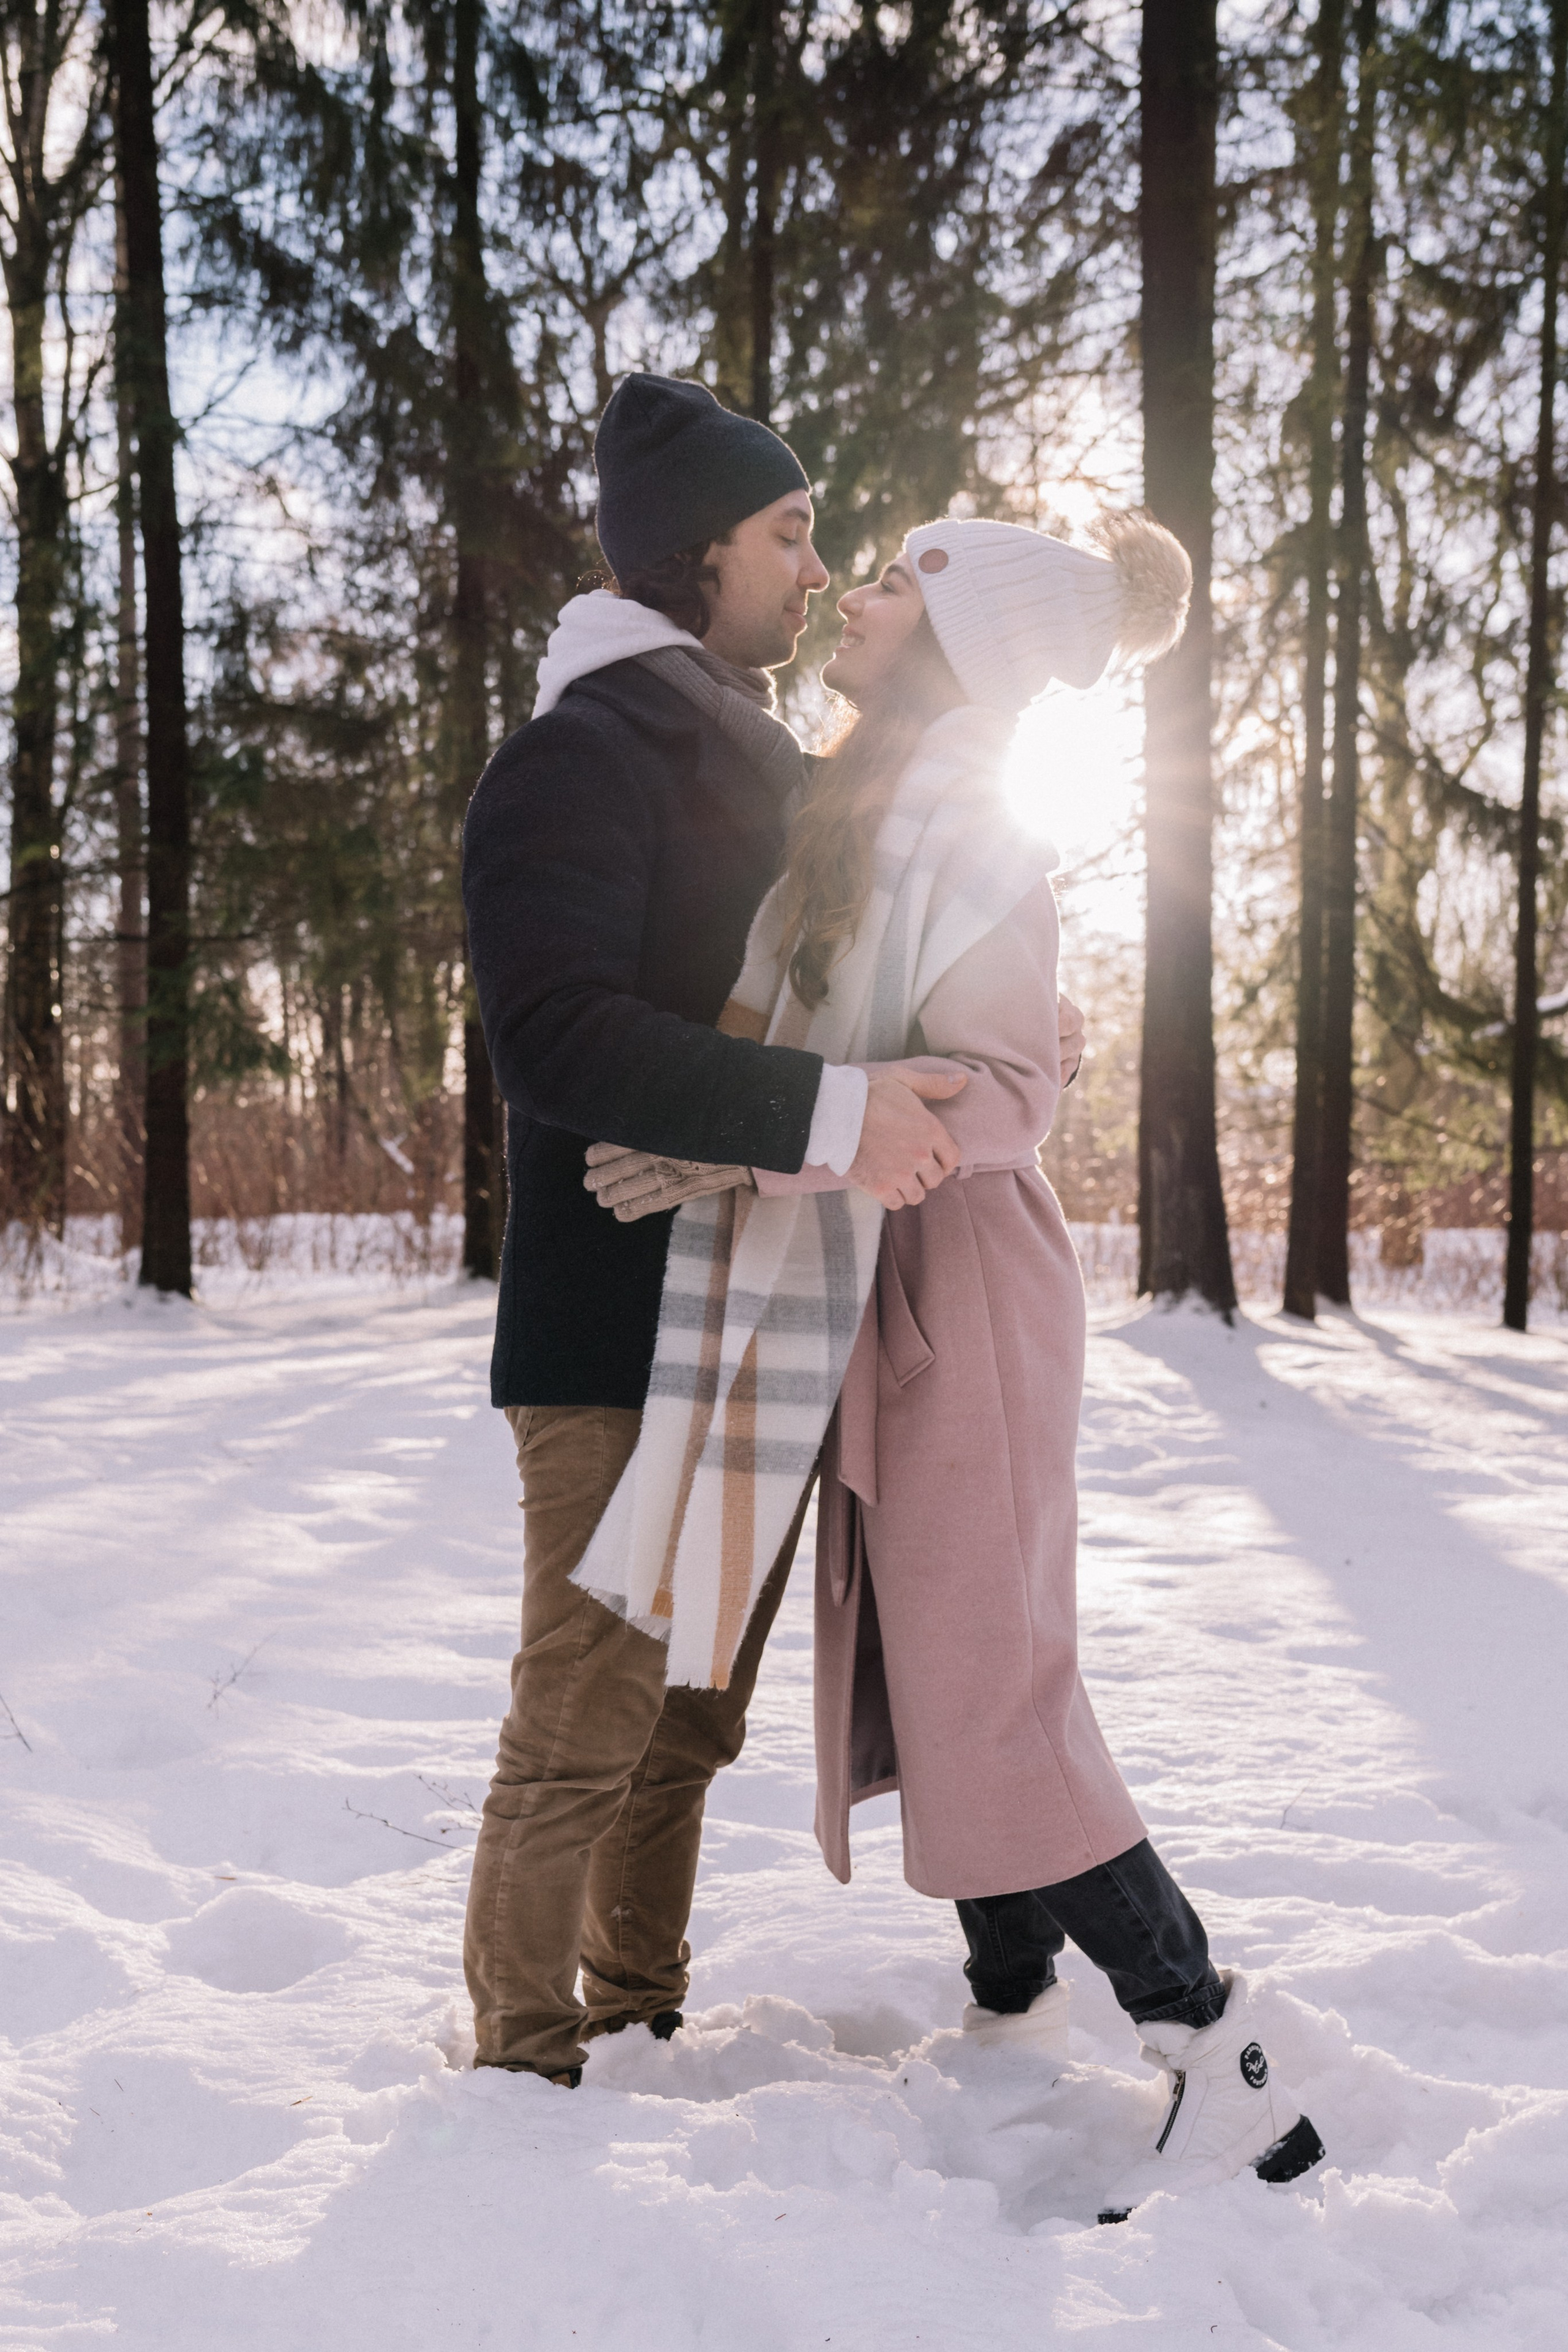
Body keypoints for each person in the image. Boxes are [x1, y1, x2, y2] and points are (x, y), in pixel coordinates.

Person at [589, 511, 1325, 2223]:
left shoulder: (977, 829)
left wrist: (762, 1148)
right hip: (881, 1276)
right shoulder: (864, 809)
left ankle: (1223, 2060)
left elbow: (1008, 1093)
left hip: (964, 1292)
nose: (857, 590)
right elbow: (854, 1041)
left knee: (992, 1679)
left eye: (908, 578)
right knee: (934, 1664)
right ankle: (1011, 2003)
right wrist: (733, 1121)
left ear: (968, 642)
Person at [459, 372, 1079, 2085]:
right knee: (585, 1707)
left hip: (765, 1296)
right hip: (613, 1314)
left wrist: (996, 1035)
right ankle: (522, 2067)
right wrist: (824, 1117)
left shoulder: (761, 752)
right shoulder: (576, 753)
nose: (818, 573)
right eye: (793, 536)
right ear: (696, 553)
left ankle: (634, 2007)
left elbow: (865, 958)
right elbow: (555, 1034)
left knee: (692, 1719)